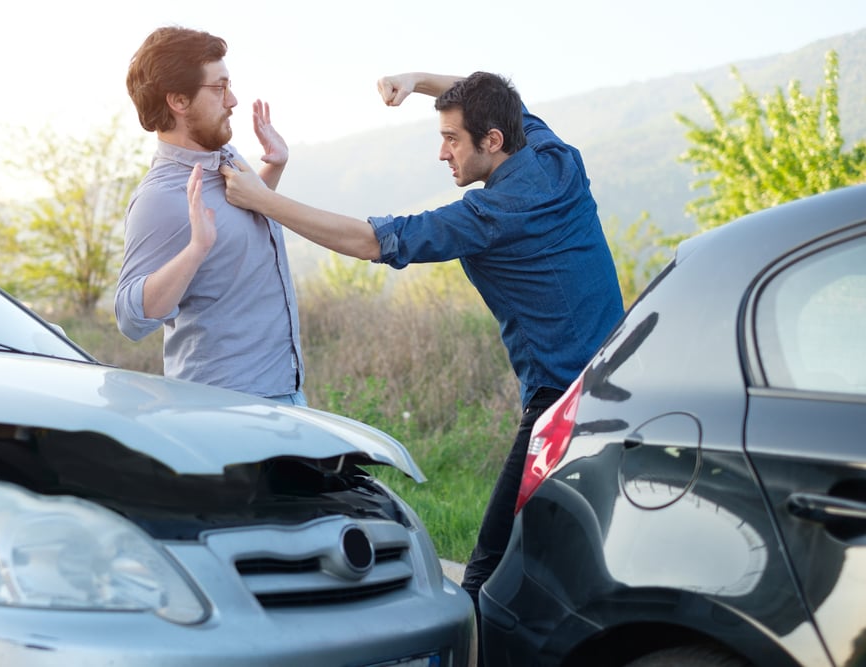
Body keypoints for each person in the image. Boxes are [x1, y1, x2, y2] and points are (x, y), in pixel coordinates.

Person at [216, 70, 625, 656]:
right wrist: (417, 81)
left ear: (491, 141)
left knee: (487, 572)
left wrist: (263, 200)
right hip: (616, 380)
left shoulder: (490, 214)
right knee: (564, 559)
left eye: (452, 139)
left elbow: (372, 241)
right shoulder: (550, 153)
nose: (442, 153)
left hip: (561, 404)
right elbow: (495, 94)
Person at [115, 26, 305, 406]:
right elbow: (130, 318)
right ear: (179, 101)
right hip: (224, 407)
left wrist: (274, 168)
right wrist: (195, 250)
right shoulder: (160, 198)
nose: (232, 100)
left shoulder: (226, 157)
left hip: (282, 390)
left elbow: (238, 222)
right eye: (219, 88)